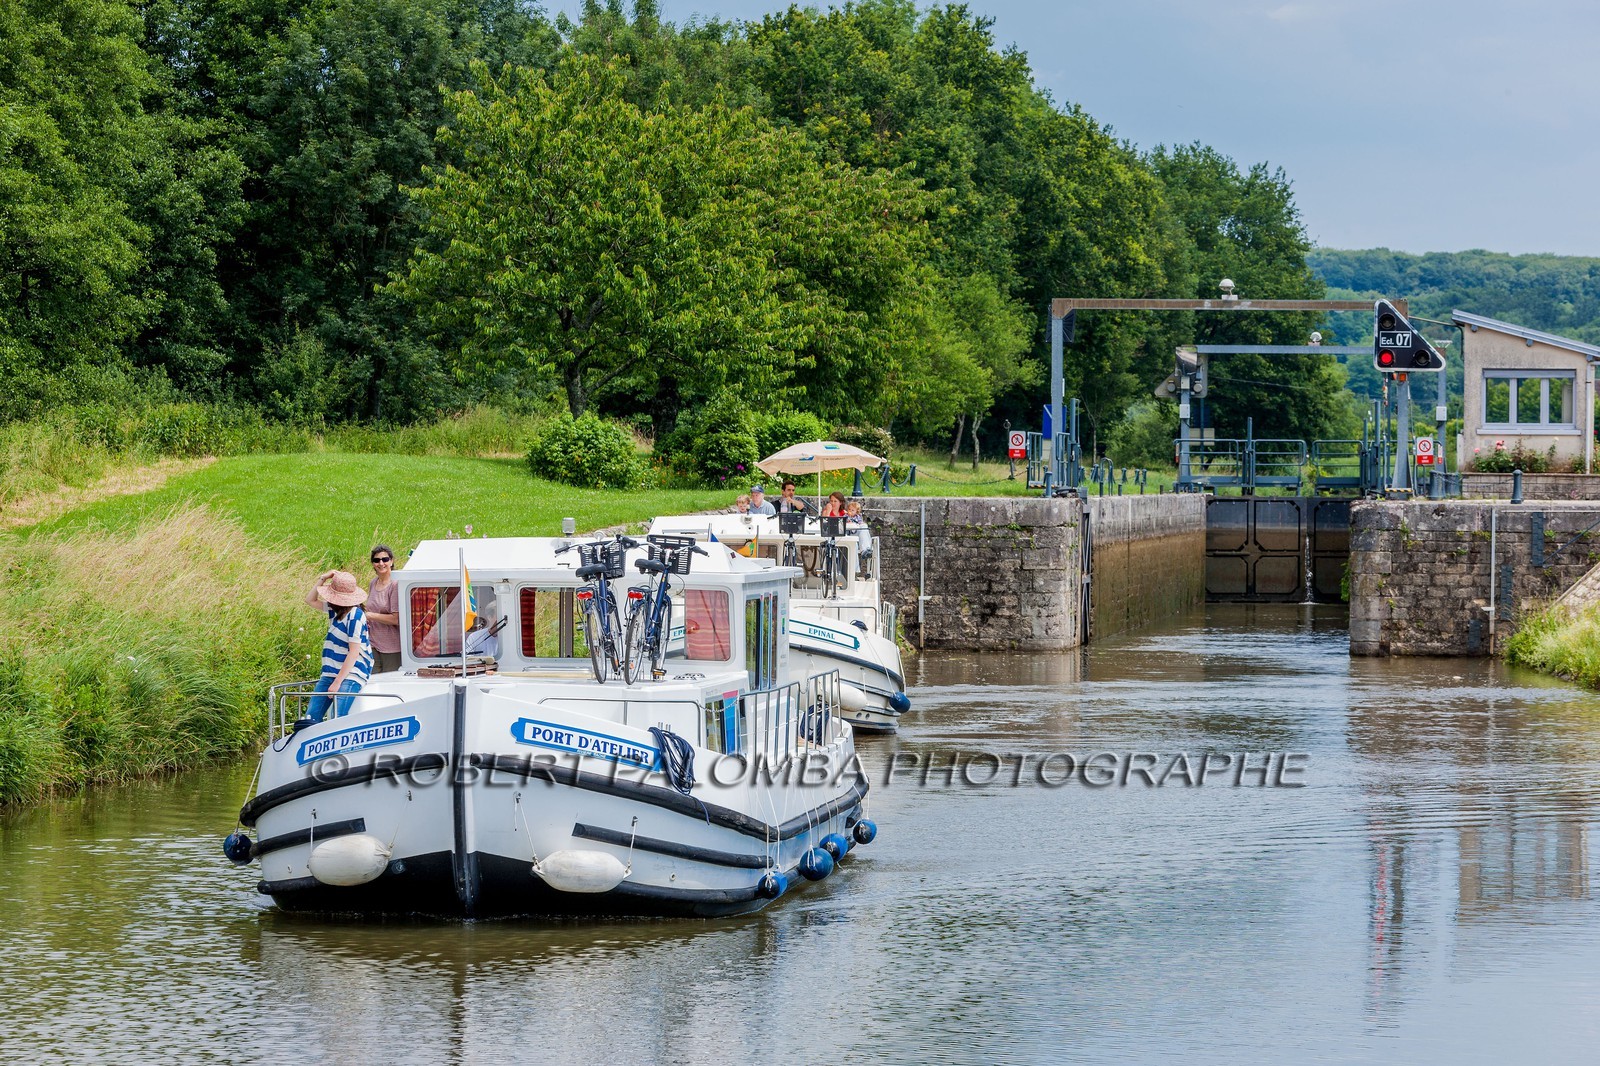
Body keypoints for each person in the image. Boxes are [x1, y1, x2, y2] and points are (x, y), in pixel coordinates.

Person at [303, 570, 373, 724]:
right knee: (310, 718)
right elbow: (310, 600)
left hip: (351, 673)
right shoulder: (335, 610)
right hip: (330, 672)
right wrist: (322, 578)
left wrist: (337, 682)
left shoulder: (356, 615)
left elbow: (354, 653)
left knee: (337, 718)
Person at [365, 545, 401, 674]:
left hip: (392, 648)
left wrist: (370, 615)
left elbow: (396, 619)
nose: (381, 563)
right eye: (376, 560)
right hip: (373, 645)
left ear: (391, 561)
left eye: (385, 559)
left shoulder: (396, 584)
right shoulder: (373, 583)